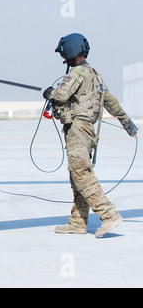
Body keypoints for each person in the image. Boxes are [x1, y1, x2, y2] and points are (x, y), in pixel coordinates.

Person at [43, 33, 138, 238]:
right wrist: (126, 122)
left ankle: (109, 214)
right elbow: (110, 100)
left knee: (81, 173)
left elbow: (60, 95)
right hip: (87, 131)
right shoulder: (94, 74)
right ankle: (78, 222)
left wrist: (49, 92)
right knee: (76, 175)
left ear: (70, 51)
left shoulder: (77, 73)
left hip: (78, 128)